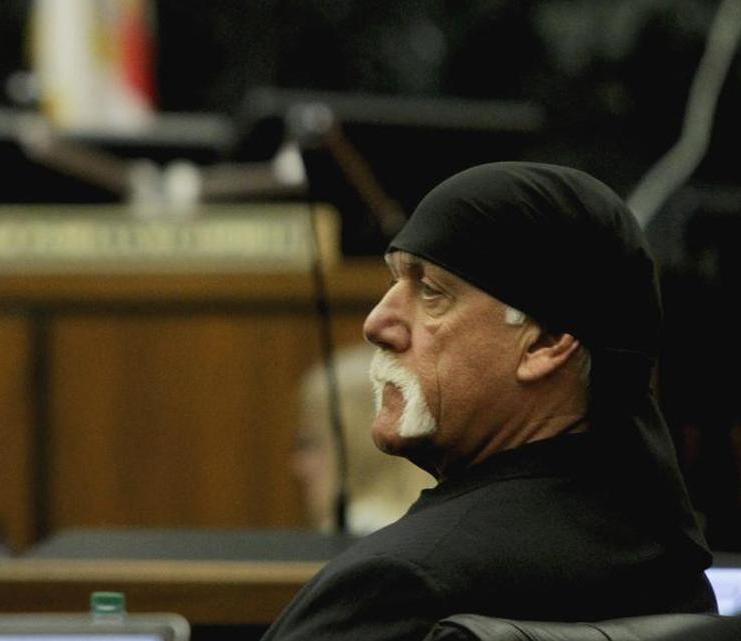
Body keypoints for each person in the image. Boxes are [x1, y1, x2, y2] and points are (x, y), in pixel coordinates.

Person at [262, 162, 717, 641]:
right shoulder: (676, 572)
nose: (377, 322)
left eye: (431, 292)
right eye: (394, 282)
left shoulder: (397, 587)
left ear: (545, 343)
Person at [293, 343, 435, 536]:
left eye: (312, 443)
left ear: (358, 447)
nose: (299, 465)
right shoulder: (432, 525)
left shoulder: (356, 536)